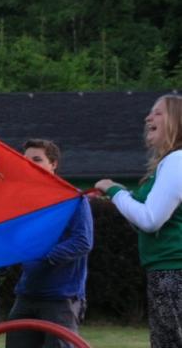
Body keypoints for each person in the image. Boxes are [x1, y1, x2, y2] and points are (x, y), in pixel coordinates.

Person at [95, 94, 182, 348]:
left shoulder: (176, 161)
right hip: (166, 272)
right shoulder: (171, 164)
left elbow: (150, 219)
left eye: (158, 113)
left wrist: (114, 190)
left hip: (174, 274)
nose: (148, 117)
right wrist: (124, 196)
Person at [7, 139, 93, 348]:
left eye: (37, 159)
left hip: (61, 297)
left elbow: (83, 241)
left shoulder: (72, 199)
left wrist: (45, 256)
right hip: (27, 294)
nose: (30, 165)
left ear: (53, 164)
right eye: (26, 160)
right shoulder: (23, 203)